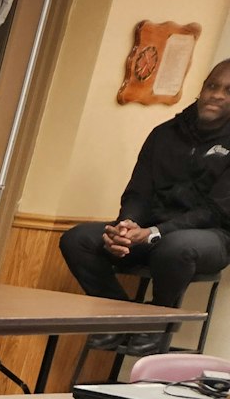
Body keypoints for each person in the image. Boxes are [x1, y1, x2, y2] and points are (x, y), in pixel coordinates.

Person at [59, 58, 230, 352]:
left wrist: (154, 233)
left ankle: (156, 322)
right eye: (212, 86)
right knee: (78, 239)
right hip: (151, 230)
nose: (216, 95)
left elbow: (214, 211)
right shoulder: (164, 133)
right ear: (202, 88)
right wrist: (127, 226)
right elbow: (138, 192)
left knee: (175, 246)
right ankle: (117, 317)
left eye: (228, 91)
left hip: (211, 236)